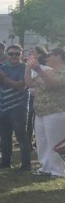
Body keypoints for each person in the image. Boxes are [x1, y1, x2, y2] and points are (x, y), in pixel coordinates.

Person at [0, 45, 31, 171]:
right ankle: (5, 162)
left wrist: (3, 78)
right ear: (7, 55)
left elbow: (19, 86)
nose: (14, 56)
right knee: (5, 136)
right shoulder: (3, 67)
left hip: (18, 107)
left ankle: (26, 165)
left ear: (21, 55)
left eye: (17, 54)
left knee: (21, 136)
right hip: (3, 107)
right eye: (11, 53)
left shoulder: (25, 68)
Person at [26, 48, 65, 177]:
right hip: (41, 112)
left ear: (58, 56)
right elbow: (30, 83)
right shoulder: (49, 71)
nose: (46, 58)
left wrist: (38, 69)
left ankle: (58, 170)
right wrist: (28, 67)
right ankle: (45, 167)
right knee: (42, 141)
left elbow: (52, 84)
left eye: (49, 55)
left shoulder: (63, 71)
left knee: (55, 141)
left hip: (56, 111)